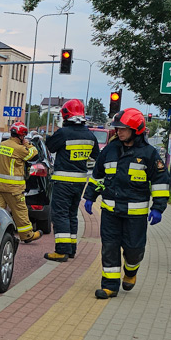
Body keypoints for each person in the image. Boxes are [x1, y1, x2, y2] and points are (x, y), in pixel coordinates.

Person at [83, 108, 170, 299]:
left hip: (135, 215)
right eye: (117, 128)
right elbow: (98, 176)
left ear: (136, 130)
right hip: (110, 211)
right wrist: (90, 196)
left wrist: (158, 208)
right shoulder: (110, 150)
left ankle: (130, 272)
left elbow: (160, 182)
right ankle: (110, 286)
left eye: (123, 129)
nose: (118, 132)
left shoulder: (149, 154)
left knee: (134, 250)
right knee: (109, 247)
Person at [43, 99, 99, 262]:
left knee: (60, 214)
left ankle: (61, 251)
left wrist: (48, 138)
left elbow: (50, 148)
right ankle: (71, 249)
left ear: (66, 115)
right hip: (80, 181)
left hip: (63, 181)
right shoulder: (90, 134)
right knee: (71, 214)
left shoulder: (63, 133)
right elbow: (96, 157)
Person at [0, 121, 40, 243]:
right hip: (13, 189)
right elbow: (34, 155)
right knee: (20, 211)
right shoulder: (19, 149)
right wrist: (28, 144)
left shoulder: (1, 145)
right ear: (21, 135)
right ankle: (27, 235)